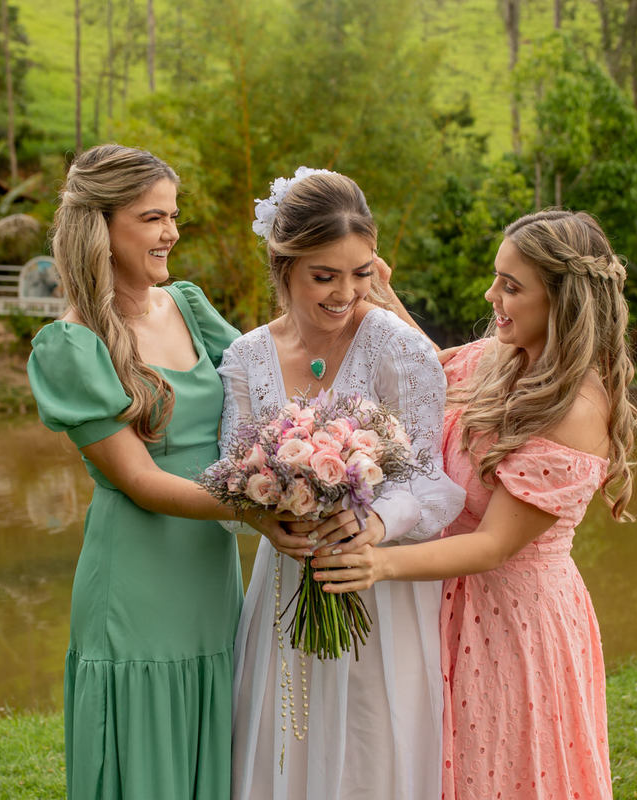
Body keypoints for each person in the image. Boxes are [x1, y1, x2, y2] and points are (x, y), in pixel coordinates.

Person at [312, 209, 637, 800]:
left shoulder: (575, 408)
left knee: (497, 771)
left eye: (511, 287)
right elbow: (425, 372)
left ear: (564, 301)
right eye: (496, 278)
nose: (493, 296)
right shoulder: (504, 356)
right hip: (446, 597)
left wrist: (377, 562)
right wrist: (378, 294)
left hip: (513, 623)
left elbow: (493, 545)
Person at [26, 144, 284, 800]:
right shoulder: (73, 343)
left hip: (207, 572)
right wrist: (257, 507)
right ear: (102, 228)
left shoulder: (188, 307)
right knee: (145, 763)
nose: (171, 232)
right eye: (151, 218)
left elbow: (274, 376)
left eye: (173, 216)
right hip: (137, 582)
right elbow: (139, 480)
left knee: (211, 744)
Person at [219, 168, 466, 799]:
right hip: (285, 587)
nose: (345, 294)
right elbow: (228, 479)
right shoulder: (245, 358)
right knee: (285, 747)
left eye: (360, 274)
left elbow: (434, 486)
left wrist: (376, 524)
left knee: (368, 747)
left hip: (377, 588)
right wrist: (260, 516)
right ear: (283, 268)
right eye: (324, 276)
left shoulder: (401, 351)